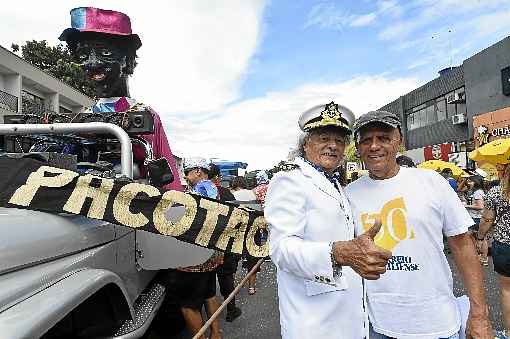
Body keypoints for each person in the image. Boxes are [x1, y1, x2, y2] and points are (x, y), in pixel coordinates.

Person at [345, 110, 493, 339]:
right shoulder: (348, 195)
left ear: (399, 141)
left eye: (383, 137)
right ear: (358, 147)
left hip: (435, 325)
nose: (374, 146)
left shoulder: (431, 183)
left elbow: (463, 246)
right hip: (374, 326)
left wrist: (479, 315)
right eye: (366, 140)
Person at [265, 101, 392, 339]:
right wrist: (338, 253)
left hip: (347, 318)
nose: (333, 146)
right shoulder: (290, 180)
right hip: (314, 322)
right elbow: (282, 249)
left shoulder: (333, 182)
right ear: (306, 144)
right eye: (324, 138)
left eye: (339, 140)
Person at [59, 7, 182, 191]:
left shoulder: (145, 115)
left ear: (128, 60)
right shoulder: (83, 119)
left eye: (105, 53)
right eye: (84, 55)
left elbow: (169, 183)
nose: (92, 63)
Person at [165, 157, 223, 339]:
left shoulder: (201, 190)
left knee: (188, 305)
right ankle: (215, 334)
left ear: (198, 171)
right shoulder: (213, 188)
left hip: (193, 257)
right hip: (210, 254)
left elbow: (180, 218)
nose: (186, 177)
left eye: (187, 172)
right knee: (209, 295)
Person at [477, 163, 510, 337]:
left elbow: (487, 220)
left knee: (507, 290)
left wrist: (480, 237)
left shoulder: (496, 192)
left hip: (505, 246)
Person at [208, 164, 243, 322]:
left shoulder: (194, 193)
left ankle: (210, 316)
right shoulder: (225, 193)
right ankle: (231, 309)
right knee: (226, 278)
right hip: (225, 242)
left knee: (206, 280)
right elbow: (237, 219)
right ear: (217, 177)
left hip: (204, 243)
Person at [464, 175, 488, 265]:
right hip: (479, 217)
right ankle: (483, 258)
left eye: (471, 181)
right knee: (481, 238)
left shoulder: (478, 192)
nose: (469, 183)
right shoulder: (479, 191)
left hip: (476, 218)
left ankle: (479, 256)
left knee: (470, 236)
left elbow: (480, 206)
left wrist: (466, 206)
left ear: (476, 182)